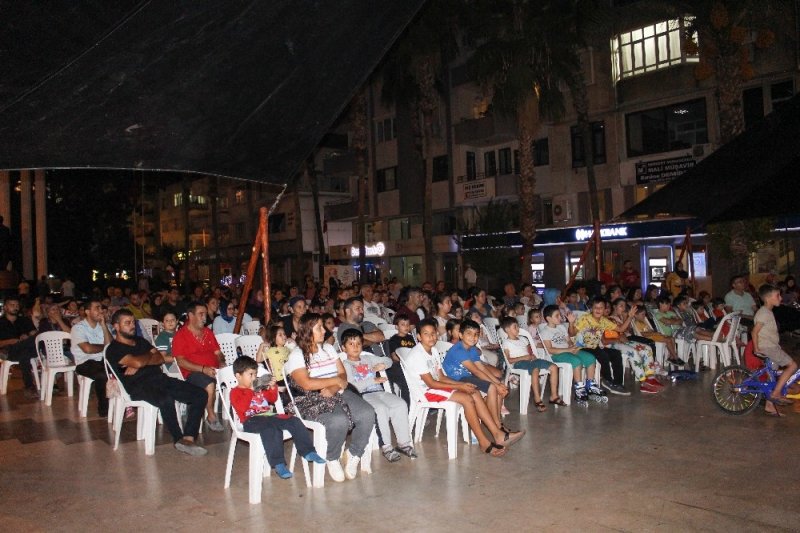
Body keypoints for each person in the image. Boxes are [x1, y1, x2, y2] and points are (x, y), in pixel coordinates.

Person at [404, 319, 522, 457]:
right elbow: (432, 384)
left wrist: (463, 386)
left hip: (436, 386)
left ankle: (497, 434)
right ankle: (484, 442)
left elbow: (441, 377)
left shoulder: (434, 351)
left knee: (473, 391)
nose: (431, 337)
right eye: (426, 334)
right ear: (418, 337)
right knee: (467, 398)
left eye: (434, 333)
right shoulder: (417, 354)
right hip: (425, 391)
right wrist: (460, 385)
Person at [284, 313, 376, 482]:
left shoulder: (328, 348)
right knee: (337, 420)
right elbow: (306, 384)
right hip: (311, 399)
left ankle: (354, 453)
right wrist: (334, 381)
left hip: (337, 391)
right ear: (307, 331)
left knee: (368, 413)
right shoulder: (297, 355)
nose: (324, 330)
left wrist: (334, 386)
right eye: (319, 327)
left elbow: (342, 374)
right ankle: (332, 457)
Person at [105, 309, 208, 456]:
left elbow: (159, 358)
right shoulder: (114, 349)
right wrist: (147, 357)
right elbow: (139, 361)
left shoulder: (140, 341)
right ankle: (178, 439)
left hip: (160, 379)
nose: (132, 325)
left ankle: (189, 438)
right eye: (127, 323)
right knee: (166, 399)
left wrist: (141, 361)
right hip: (137, 386)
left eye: (133, 322)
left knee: (200, 394)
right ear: (116, 326)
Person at [230, 356, 326, 478]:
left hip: (269, 415)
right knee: (271, 430)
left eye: (255, 374)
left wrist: (272, 387)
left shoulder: (258, 388)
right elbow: (242, 408)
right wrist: (251, 390)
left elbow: (272, 399)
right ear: (238, 376)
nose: (255, 377)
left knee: (294, 421)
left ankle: (308, 451)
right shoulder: (235, 392)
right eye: (251, 375)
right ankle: (278, 463)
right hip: (251, 420)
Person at [340, 329, 416, 462]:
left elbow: (388, 360)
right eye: (351, 344)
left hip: (379, 391)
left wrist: (383, 364)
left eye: (358, 343)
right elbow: (352, 386)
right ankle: (386, 446)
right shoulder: (345, 365)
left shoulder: (368, 358)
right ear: (343, 348)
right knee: (380, 409)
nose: (356, 347)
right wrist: (372, 380)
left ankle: (404, 443)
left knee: (400, 404)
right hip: (362, 395)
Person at [442, 319, 510, 430]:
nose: (473, 337)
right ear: (460, 335)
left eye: (476, 334)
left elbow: (481, 367)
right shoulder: (458, 350)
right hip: (456, 380)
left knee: (497, 386)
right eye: (469, 333)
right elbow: (476, 371)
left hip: (467, 376)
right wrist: (496, 385)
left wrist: (499, 383)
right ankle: (497, 426)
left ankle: (497, 422)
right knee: (492, 387)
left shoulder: (472, 349)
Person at [172, 301, 225, 431]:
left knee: (243, 374)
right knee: (209, 384)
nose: (204, 317)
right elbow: (181, 361)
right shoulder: (181, 335)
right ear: (190, 315)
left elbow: (218, 353)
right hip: (193, 372)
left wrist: (222, 362)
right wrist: (203, 369)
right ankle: (211, 416)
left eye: (205, 314)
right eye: (201, 314)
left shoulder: (208, 332)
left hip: (213, 370)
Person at [499, 317, 564, 411]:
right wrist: (524, 358)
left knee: (553, 367)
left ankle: (553, 396)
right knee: (535, 369)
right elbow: (508, 360)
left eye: (518, 326)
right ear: (507, 330)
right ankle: (537, 399)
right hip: (519, 363)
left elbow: (529, 351)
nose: (518, 329)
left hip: (530, 360)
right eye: (515, 327)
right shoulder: (506, 343)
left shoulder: (522, 339)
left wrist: (532, 355)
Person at [752, 284, 798, 416]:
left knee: (771, 376)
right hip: (767, 347)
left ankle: (769, 405)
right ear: (768, 298)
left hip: (771, 346)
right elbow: (754, 331)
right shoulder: (764, 313)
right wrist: (756, 348)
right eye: (777, 295)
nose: (780, 297)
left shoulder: (768, 311)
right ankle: (776, 393)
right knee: (792, 365)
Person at [538, 305, 599, 402]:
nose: (560, 317)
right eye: (557, 316)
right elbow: (550, 350)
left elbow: (568, 341)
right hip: (555, 355)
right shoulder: (545, 332)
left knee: (590, 358)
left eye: (560, 315)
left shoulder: (561, 327)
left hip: (568, 351)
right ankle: (579, 389)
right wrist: (568, 350)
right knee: (576, 361)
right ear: (549, 319)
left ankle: (590, 385)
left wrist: (572, 346)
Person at [574, 297, 628, 396]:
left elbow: (620, 329)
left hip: (595, 347)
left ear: (604, 310)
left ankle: (618, 383)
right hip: (583, 347)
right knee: (603, 354)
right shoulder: (585, 318)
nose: (598, 310)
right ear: (591, 309)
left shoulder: (604, 320)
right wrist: (571, 323)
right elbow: (571, 333)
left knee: (616, 353)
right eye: (596, 307)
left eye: (601, 308)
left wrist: (630, 317)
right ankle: (607, 380)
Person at [71, 299, 113, 416]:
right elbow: (87, 349)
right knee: (102, 374)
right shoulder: (78, 328)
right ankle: (104, 409)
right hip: (85, 362)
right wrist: (104, 346)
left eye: (101, 308)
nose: (101, 311)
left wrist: (104, 326)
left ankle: (124, 404)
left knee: (124, 368)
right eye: (97, 308)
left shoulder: (103, 325)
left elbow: (111, 346)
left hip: (103, 359)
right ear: (88, 311)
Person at [0, 295, 40, 398]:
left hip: (24, 349)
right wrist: (13, 341)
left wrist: (27, 337)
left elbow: (35, 334)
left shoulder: (24, 320)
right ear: (5, 307)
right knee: (24, 354)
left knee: (33, 341)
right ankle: (29, 387)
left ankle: (29, 387)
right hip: (8, 351)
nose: (15, 307)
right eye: (12, 305)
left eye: (17, 305)